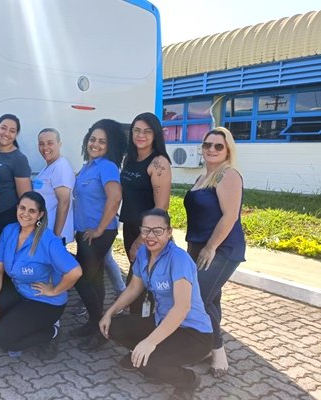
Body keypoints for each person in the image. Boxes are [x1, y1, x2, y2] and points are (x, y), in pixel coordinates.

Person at [100, 208, 213, 400]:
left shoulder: (179, 259)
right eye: (145, 230)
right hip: (162, 322)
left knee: (150, 363)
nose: (150, 236)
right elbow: (134, 288)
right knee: (114, 327)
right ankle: (146, 356)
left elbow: (182, 308)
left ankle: (188, 380)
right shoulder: (144, 252)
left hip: (194, 332)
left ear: (169, 232)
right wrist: (109, 313)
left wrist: (149, 342)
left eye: (158, 231)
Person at [0, 192, 82, 359]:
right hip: (21, 292)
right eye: (22, 208)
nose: (25, 214)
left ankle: (51, 331)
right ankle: (14, 328)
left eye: (32, 211)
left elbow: (75, 272)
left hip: (44, 301)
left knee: (4, 339)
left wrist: (55, 290)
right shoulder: (9, 231)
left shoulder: (48, 240)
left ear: (40, 214)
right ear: (17, 208)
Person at [184, 127, 245, 378]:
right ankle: (209, 346)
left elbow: (230, 217)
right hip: (197, 245)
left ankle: (218, 352)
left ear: (227, 150)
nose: (211, 149)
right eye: (207, 145)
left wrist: (210, 247)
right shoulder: (202, 178)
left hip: (222, 248)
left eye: (218, 146)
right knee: (211, 299)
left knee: (198, 298)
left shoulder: (228, 176)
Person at [71, 119, 126, 350]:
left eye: (102, 141)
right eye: (93, 139)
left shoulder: (107, 166)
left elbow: (115, 198)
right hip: (85, 232)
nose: (96, 144)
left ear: (109, 145)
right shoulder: (89, 166)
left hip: (98, 234)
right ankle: (93, 324)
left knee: (83, 279)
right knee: (93, 279)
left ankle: (100, 329)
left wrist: (100, 229)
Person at [119, 112, 172, 314]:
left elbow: (161, 208)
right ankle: (140, 328)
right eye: (137, 130)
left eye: (147, 131)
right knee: (139, 280)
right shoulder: (130, 160)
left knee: (139, 283)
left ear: (155, 134)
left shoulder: (158, 163)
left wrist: (141, 240)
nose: (141, 135)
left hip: (149, 233)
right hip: (130, 227)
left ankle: (143, 333)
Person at [0, 114, 32, 249]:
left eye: (12, 131)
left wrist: (27, 226)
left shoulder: (19, 159)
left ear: (16, 134)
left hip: (3, 216)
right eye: (3, 128)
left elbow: (25, 197)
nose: (6, 133)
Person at [33, 128, 75, 245]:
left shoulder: (61, 166)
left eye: (50, 143)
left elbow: (64, 202)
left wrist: (56, 236)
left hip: (52, 233)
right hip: (44, 231)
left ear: (59, 144)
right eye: (41, 144)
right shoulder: (48, 167)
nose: (45, 148)